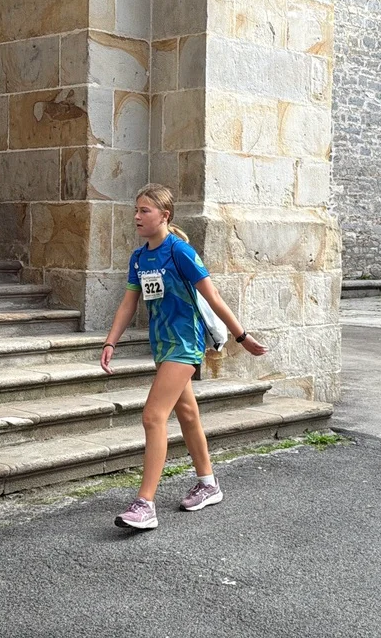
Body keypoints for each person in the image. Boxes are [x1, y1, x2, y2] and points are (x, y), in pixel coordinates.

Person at [100, 183, 268, 530]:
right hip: (162, 346)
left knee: (153, 417)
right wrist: (110, 342)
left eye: (144, 211)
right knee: (188, 414)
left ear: (164, 215)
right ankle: (208, 483)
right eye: (136, 210)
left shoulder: (180, 252)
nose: (137, 217)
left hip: (185, 344)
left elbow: (214, 296)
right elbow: (129, 303)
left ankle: (145, 504)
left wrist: (242, 336)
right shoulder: (139, 258)